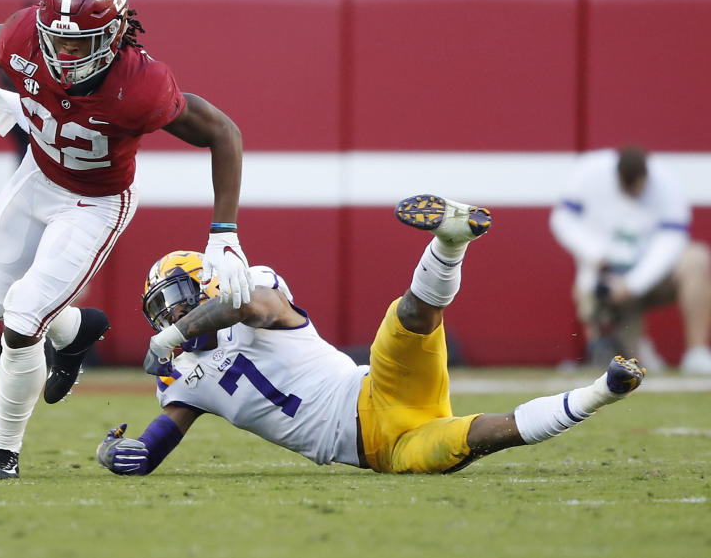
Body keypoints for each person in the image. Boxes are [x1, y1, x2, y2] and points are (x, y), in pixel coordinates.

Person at [0, 0, 255, 480]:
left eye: (79, 44)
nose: (64, 54)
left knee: (23, 317)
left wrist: (224, 233)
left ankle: (1, 451)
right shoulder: (27, 36)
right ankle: (73, 331)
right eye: (57, 40)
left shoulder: (141, 84)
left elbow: (223, 132)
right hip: (38, 174)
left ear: (115, 33)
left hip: (96, 201)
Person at [95, 194, 646, 476]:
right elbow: (151, 450)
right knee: (480, 440)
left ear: (204, 283)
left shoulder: (249, 286)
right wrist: (117, 454)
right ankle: (605, 390)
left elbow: (247, 307)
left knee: (410, 317)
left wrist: (177, 334)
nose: (168, 318)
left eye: (174, 300)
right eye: (159, 310)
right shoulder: (180, 377)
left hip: (373, 390)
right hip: (382, 451)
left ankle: (449, 242)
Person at [549, 146, 711, 375]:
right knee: (619, 361)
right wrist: (595, 255)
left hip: (653, 276)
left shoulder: (665, 183)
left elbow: (671, 240)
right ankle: (628, 346)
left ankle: (697, 353)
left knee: (697, 259)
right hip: (606, 274)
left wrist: (633, 284)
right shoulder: (590, 173)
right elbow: (563, 219)